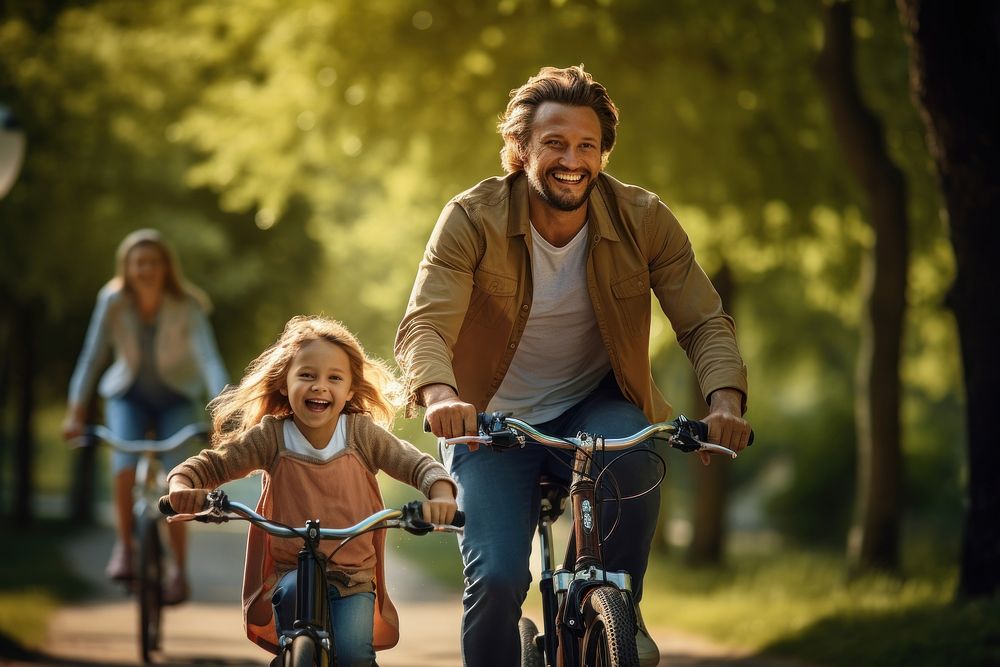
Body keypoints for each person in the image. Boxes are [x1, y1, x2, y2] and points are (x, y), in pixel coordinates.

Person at [394, 65, 752, 666]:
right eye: (554, 143)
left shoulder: (644, 220)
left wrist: (724, 400)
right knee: (500, 577)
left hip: (593, 404)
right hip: (488, 424)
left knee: (637, 457)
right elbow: (425, 325)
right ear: (521, 149)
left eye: (587, 145)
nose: (571, 159)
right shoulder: (471, 218)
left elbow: (704, 321)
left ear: (604, 155)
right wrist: (438, 396)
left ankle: (613, 605)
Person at [165, 315, 458, 664]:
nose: (320, 386)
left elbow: (416, 463)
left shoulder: (361, 435)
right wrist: (182, 486)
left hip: (353, 578)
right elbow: (212, 465)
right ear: (284, 383)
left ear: (350, 389)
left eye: (334, 378)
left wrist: (440, 493)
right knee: (291, 624)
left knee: (353, 655)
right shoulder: (271, 437)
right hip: (290, 571)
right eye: (306, 375)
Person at [62, 228, 228, 605]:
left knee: (179, 481)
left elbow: (208, 360)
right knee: (123, 464)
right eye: (139, 263)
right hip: (127, 394)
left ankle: (179, 572)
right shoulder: (112, 300)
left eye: (153, 262)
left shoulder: (188, 304)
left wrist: (225, 410)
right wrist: (75, 412)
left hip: (175, 397)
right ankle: (124, 547)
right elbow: (91, 356)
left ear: (166, 266)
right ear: (127, 267)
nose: (146, 269)